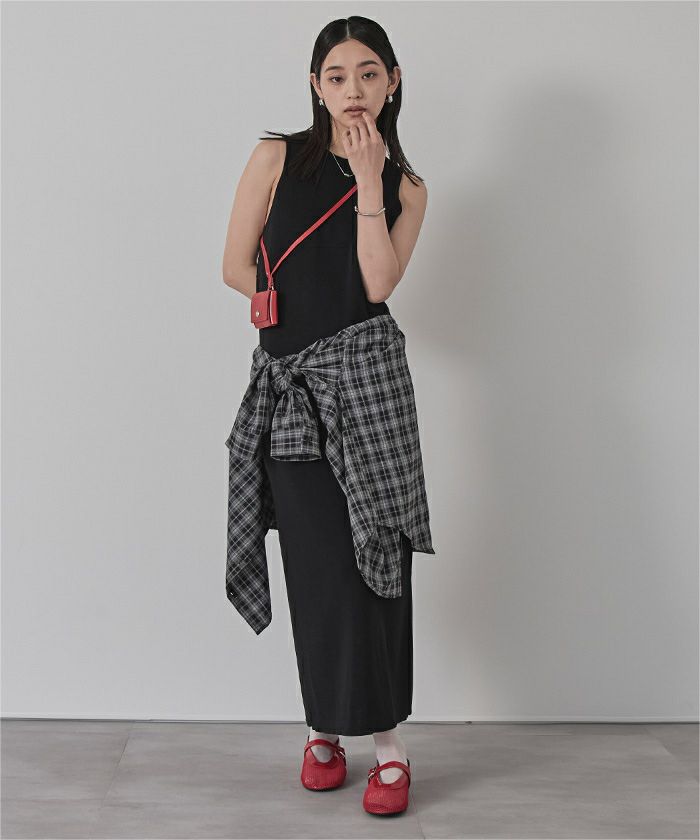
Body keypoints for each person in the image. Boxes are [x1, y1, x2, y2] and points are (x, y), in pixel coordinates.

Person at [222, 16, 433, 816]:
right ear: (316, 85)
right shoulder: (276, 158)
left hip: (372, 392)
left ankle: (389, 747)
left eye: (368, 74)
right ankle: (323, 732)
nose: (353, 90)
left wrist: (371, 185)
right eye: (337, 76)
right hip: (294, 395)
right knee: (317, 565)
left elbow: (376, 285)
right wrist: (284, 314)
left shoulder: (408, 188)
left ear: (393, 81)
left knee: (376, 558)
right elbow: (234, 264)